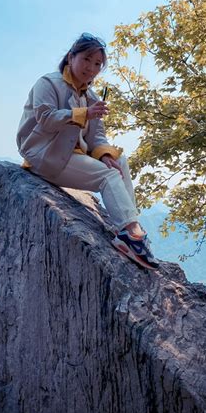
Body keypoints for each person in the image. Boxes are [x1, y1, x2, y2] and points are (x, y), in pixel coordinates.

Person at [16, 32, 159, 270]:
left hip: (72, 157)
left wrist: (103, 154)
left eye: (98, 64)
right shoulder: (48, 83)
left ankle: (130, 227)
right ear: (71, 57)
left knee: (118, 162)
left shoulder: (89, 96)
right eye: (87, 59)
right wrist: (84, 114)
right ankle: (131, 235)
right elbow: (46, 118)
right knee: (108, 175)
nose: (91, 68)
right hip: (45, 156)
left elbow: (97, 136)